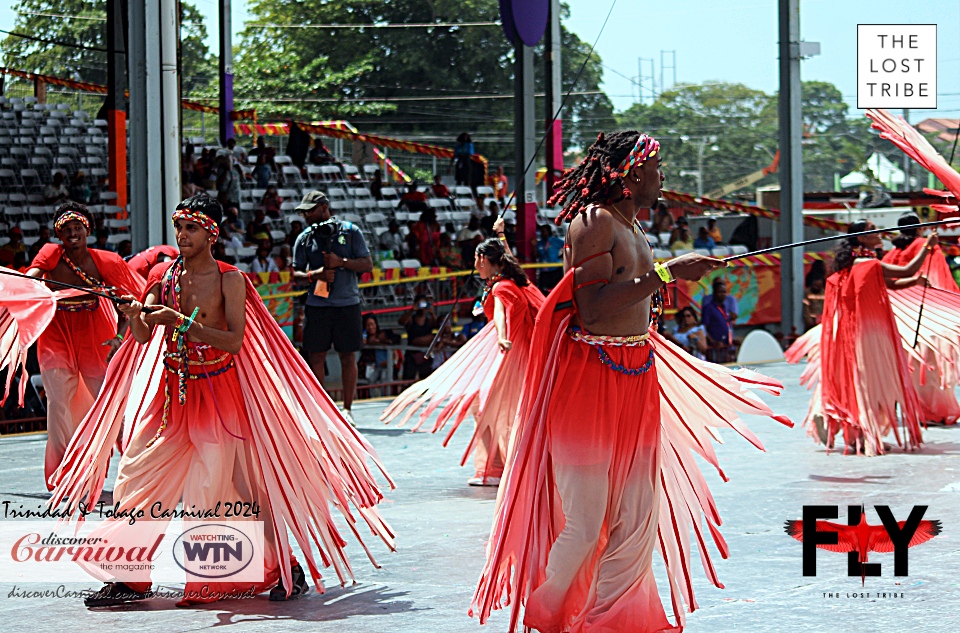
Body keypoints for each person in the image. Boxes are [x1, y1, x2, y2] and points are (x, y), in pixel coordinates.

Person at [472, 131, 791, 633]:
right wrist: (668, 272)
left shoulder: (632, 226)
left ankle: (612, 622)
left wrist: (674, 276)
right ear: (630, 172)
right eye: (657, 165)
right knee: (585, 520)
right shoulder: (595, 222)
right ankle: (547, 613)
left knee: (637, 517)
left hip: (635, 376)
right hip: (589, 380)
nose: (663, 175)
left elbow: (637, 302)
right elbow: (594, 310)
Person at [50, 193, 394, 607]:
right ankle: (129, 576)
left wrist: (179, 323)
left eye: (191, 227)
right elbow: (143, 337)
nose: (182, 235)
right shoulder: (164, 275)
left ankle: (281, 567)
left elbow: (233, 341)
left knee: (225, 492)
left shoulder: (231, 279)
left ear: (212, 233)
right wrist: (133, 316)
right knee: (135, 479)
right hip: (169, 397)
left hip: (220, 396)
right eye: (179, 227)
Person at [384, 225, 545, 485]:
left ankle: (496, 468)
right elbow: (510, 261)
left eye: (475, 260)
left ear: (483, 259)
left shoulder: (501, 287)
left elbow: (501, 314)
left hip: (506, 352)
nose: (475, 265)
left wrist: (502, 336)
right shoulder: (513, 281)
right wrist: (502, 234)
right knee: (496, 407)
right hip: (512, 349)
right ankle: (505, 465)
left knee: (486, 407)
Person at [786, 219, 957, 454]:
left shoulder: (856, 264)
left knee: (861, 382)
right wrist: (928, 247)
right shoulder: (866, 262)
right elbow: (906, 271)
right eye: (871, 230)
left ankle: (852, 429)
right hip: (867, 333)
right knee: (872, 383)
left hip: (855, 330)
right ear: (861, 238)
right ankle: (864, 433)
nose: (878, 232)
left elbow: (892, 284)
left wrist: (915, 282)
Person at [25, 202, 145, 489]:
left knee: (108, 401)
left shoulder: (106, 261)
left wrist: (118, 338)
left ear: (87, 230)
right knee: (57, 404)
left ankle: (131, 467)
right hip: (56, 332)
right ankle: (64, 474)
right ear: (58, 234)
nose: (72, 233)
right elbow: (31, 280)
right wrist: (26, 286)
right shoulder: (50, 254)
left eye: (77, 228)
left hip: (94, 332)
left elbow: (131, 303)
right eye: (66, 229)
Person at [292, 191, 373, 426]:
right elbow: (294, 275)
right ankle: (322, 408)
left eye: (311, 210)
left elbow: (367, 264)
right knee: (316, 356)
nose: (307, 215)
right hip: (317, 305)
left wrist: (341, 263)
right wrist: (314, 274)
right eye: (304, 211)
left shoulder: (350, 231)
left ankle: (348, 409)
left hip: (347, 303)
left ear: (324, 207)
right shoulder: (304, 238)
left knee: (348, 356)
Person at [881, 212, 960, 424]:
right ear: (919, 228)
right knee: (929, 367)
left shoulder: (891, 253)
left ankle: (907, 407)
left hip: (898, 317)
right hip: (923, 317)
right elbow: (937, 280)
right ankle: (932, 411)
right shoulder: (925, 247)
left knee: (903, 365)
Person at [398, 294, 437, 380]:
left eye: (424, 304)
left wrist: (432, 312)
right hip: (412, 354)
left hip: (425, 354)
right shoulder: (411, 319)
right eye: (420, 304)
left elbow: (437, 326)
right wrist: (412, 310)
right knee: (408, 379)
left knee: (426, 380)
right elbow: (401, 322)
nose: (422, 307)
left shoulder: (429, 320)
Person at [536, 223, 565, 292]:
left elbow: (567, 246)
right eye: (541, 232)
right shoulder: (540, 243)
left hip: (555, 269)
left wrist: (562, 255)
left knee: (556, 289)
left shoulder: (556, 241)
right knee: (543, 290)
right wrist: (534, 246)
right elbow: (536, 255)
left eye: (543, 231)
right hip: (544, 270)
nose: (542, 233)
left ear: (548, 232)